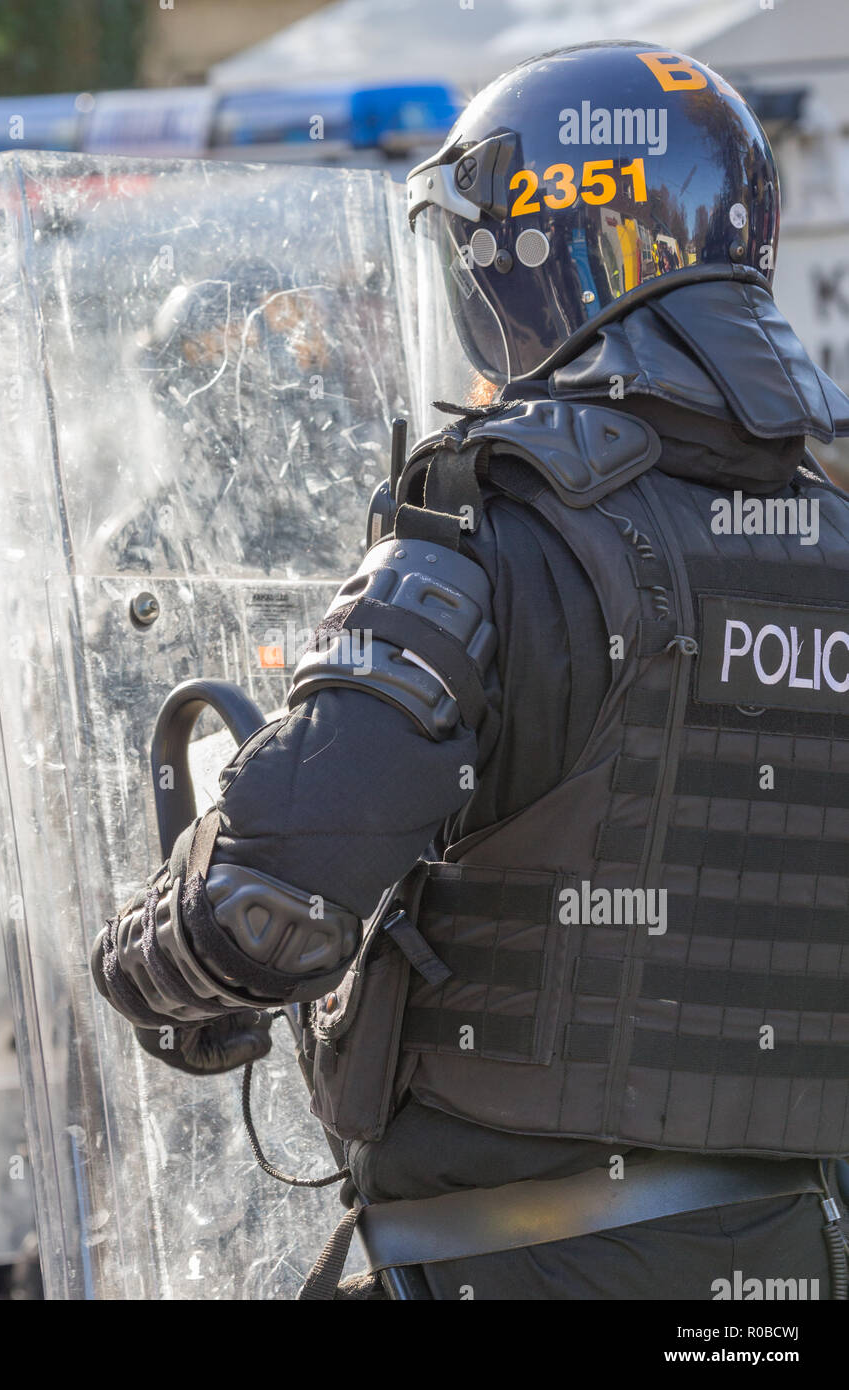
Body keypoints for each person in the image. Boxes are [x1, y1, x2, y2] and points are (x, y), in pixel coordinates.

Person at [93, 41, 849, 1299]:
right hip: (787, 1261)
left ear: (541, 254)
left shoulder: (485, 532)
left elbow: (264, 909)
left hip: (511, 1259)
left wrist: (141, 962)